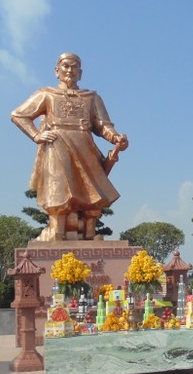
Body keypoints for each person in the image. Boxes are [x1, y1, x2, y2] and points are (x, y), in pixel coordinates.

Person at [11, 53, 129, 241]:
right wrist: (36, 135)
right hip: (57, 145)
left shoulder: (91, 97)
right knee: (58, 190)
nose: (69, 70)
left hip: (85, 146)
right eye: (65, 66)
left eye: (74, 67)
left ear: (80, 73)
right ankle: (57, 231)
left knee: (92, 193)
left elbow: (103, 125)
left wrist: (116, 138)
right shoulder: (47, 94)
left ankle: (90, 231)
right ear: (57, 71)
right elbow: (19, 115)